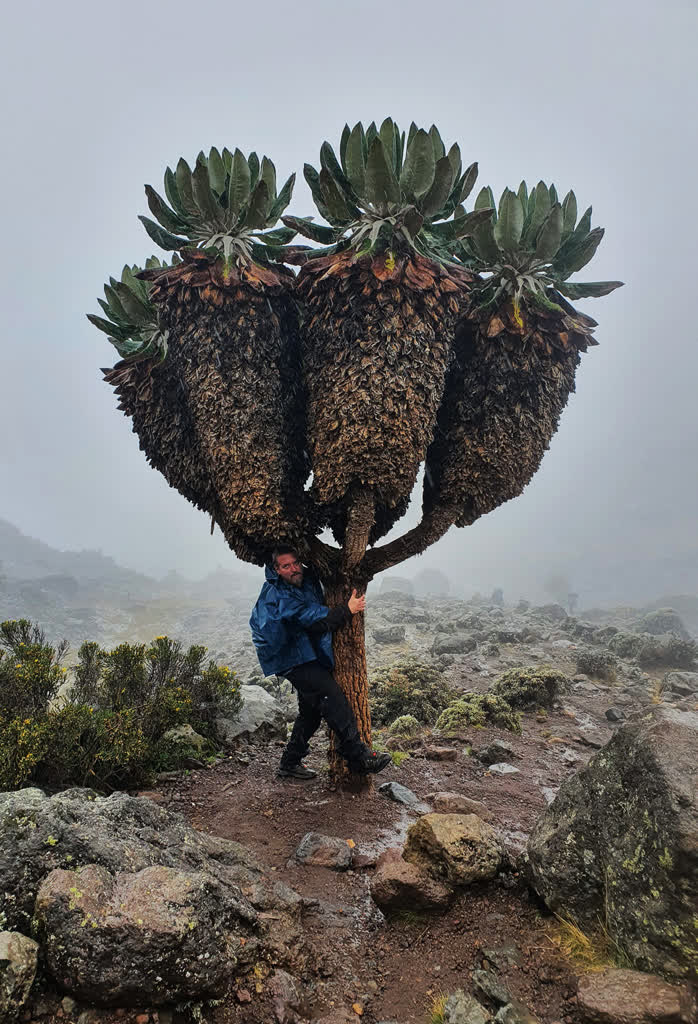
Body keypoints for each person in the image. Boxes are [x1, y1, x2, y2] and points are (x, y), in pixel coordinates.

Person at [249, 546, 391, 780]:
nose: (294, 569)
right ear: (276, 569)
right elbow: (315, 621)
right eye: (286, 566)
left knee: (311, 713)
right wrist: (347, 610)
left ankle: (289, 763)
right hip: (291, 656)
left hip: (300, 651)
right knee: (332, 697)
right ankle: (359, 756)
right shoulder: (279, 594)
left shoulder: (305, 578)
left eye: (296, 563)